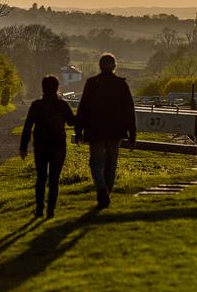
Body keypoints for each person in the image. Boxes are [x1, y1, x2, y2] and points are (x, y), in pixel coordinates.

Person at [75, 53, 136, 209]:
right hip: (115, 131)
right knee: (111, 163)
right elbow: (129, 110)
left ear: (100, 66)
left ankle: (101, 190)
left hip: (95, 130)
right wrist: (132, 134)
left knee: (95, 163)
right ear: (114, 66)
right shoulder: (121, 85)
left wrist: (78, 130)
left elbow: (83, 109)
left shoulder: (92, 83)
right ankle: (106, 192)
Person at [20, 75, 75, 219]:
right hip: (58, 145)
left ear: (43, 87)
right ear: (57, 88)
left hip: (41, 145)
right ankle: (51, 210)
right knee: (54, 179)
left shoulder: (37, 105)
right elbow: (71, 122)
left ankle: (39, 209)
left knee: (41, 177)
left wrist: (23, 147)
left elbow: (28, 127)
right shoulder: (62, 105)